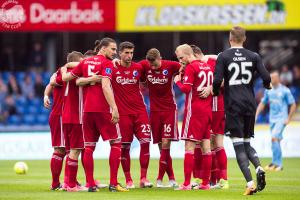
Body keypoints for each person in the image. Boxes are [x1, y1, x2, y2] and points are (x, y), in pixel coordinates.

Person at [62, 38, 128, 192]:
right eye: (112, 49)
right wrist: (115, 108)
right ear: (103, 48)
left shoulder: (85, 62)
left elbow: (73, 80)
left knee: (89, 147)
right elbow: (105, 86)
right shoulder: (106, 63)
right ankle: (113, 183)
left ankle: (90, 184)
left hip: (87, 110)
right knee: (116, 143)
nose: (114, 52)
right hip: (103, 109)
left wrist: (66, 68)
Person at [212, 26, 271, 195]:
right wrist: (267, 85)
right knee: (247, 143)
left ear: (230, 39)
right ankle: (259, 167)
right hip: (250, 105)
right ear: (244, 39)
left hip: (233, 106)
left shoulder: (223, 56)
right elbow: (266, 77)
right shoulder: (254, 56)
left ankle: (250, 183)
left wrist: (216, 91)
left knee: (238, 146)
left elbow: (217, 80)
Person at [110, 42, 153, 189]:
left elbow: (145, 81)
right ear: (119, 53)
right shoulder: (112, 68)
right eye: (126, 53)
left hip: (140, 112)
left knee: (146, 142)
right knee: (125, 147)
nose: (129, 56)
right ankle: (128, 180)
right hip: (123, 115)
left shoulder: (138, 68)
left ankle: (143, 178)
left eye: (131, 53)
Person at [139, 48, 181, 188]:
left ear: (160, 58)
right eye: (151, 65)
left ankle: (158, 179)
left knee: (165, 144)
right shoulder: (145, 65)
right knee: (160, 147)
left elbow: (187, 66)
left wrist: (180, 76)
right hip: (155, 111)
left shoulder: (171, 65)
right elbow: (130, 66)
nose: (153, 67)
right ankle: (172, 178)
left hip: (169, 109)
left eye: (155, 64)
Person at [174, 44, 213, 190]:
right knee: (206, 148)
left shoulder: (192, 67)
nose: (181, 61)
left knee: (189, 147)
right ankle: (205, 183)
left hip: (194, 111)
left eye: (181, 57)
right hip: (207, 111)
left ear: (187, 54)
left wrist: (177, 80)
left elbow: (186, 89)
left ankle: (186, 184)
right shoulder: (206, 66)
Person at [191, 44, 228, 189]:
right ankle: (210, 180)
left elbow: (225, 79)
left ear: (194, 54)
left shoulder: (213, 62)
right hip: (204, 108)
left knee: (214, 143)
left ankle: (220, 179)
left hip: (215, 106)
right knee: (203, 143)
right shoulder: (197, 65)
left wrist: (212, 88)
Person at [256, 70, 296, 171]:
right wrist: (256, 114)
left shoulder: (285, 90)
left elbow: (293, 104)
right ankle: (274, 162)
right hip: (272, 119)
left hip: (281, 119)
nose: (271, 79)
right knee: (275, 140)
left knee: (274, 138)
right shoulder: (268, 90)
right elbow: (263, 103)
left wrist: (289, 118)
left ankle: (279, 164)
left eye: (273, 78)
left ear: (278, 79)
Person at [60, 51, 86, 192]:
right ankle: (71, 185)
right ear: (80, 60)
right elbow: (86, 65)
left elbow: (53, 81)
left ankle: (67, 182)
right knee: (75, 151)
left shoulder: (63, 72)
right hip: (77, 117)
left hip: (66, 116)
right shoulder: (80, 70)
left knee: (70, 151)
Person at [44, 67, 65, 190]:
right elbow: (51, 83)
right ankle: (55, 184)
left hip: (70, 116)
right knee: (60, 149)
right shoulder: (63, 72)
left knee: (72, 150)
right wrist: (46, 95)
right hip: (60, 115)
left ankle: (70, 180)